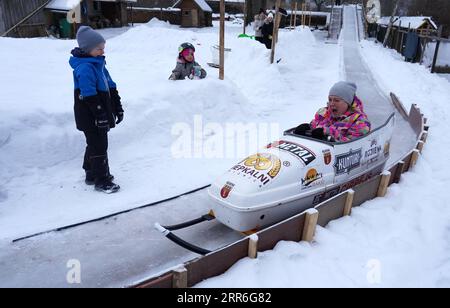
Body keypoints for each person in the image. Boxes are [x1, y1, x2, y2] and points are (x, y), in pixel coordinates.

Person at [69, 26, 123, 193]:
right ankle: (102, 180)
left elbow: (111, 86)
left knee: (93, 144)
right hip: (90, 115)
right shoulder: (85, 68)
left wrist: (117, 107)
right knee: (99, 146)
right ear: (87, 49)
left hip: (99, 113)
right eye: (99, 48)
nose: (102, 51)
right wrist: (99, 115)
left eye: (103, 48)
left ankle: (91, 173)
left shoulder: (98, 64)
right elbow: (89, 95)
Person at [294, 81, 371, 142]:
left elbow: (353, 145)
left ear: (348, 102)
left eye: (336, 100)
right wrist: (307, 128)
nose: (331, 104)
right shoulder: (323, 113)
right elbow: (315, 127)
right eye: (330, 99)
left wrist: (328, 133)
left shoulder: (360, 121)